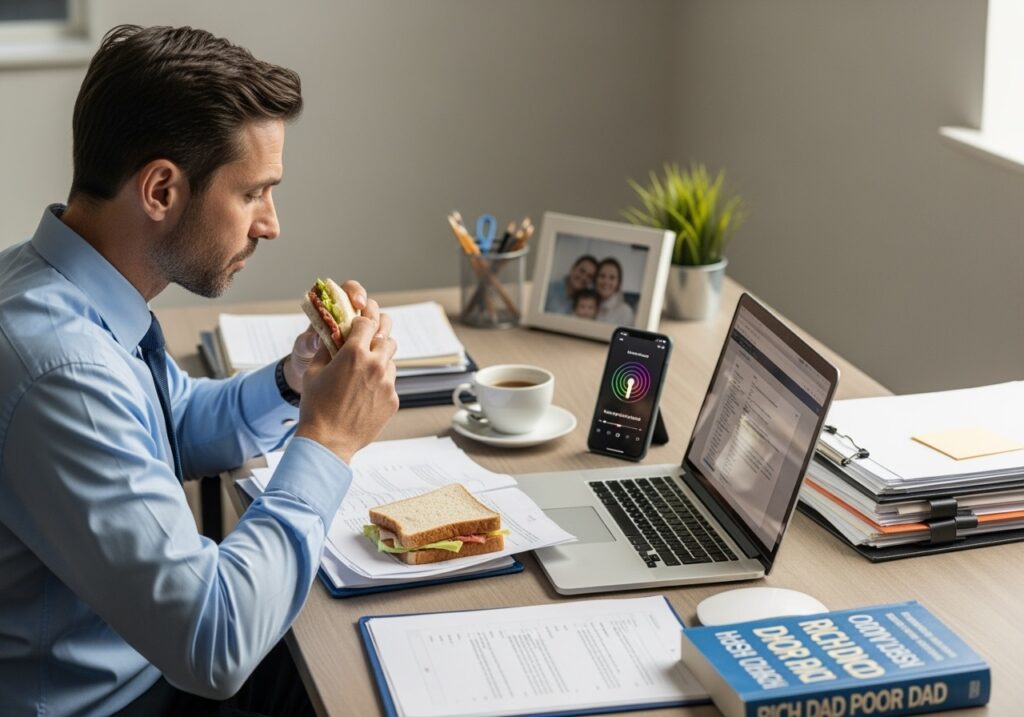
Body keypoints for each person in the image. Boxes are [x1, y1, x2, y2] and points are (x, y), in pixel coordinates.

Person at [0, 25, 400, 716]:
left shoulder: (64, 288)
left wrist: (294, 382)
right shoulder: (63, 371)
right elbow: (213, 645)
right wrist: (328, 439)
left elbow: (170, 420)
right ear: (161, 189)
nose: (270, 224)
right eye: (254, 193)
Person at [594, 257, 636, 325]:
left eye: (612, 278)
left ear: (618, 283)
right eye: (602, 276)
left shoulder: (625, 312)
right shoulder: (586, 303)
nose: (606, 281)